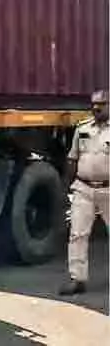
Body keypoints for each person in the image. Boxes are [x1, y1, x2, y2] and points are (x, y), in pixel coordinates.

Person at [59, 89, 109, 296]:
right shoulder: (82, 129)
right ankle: (77, 279)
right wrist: (65, 185)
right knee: (77, 234)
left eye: (102, 104)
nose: (96, 108)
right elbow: (72, 158)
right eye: (94, 104)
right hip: (84, 188)